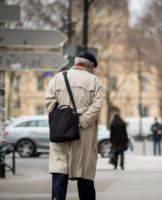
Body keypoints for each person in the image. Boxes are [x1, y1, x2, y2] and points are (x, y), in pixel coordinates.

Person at [45, 51, 103, 200]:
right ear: (90, 65)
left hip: (61, 130)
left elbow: (49, 103)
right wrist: (82, 121)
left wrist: (64, 119)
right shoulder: (94, 81)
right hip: (84, 133)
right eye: (93, 67)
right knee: (84, 172)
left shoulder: (58, 78)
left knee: (59, 169)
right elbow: (97, 106)